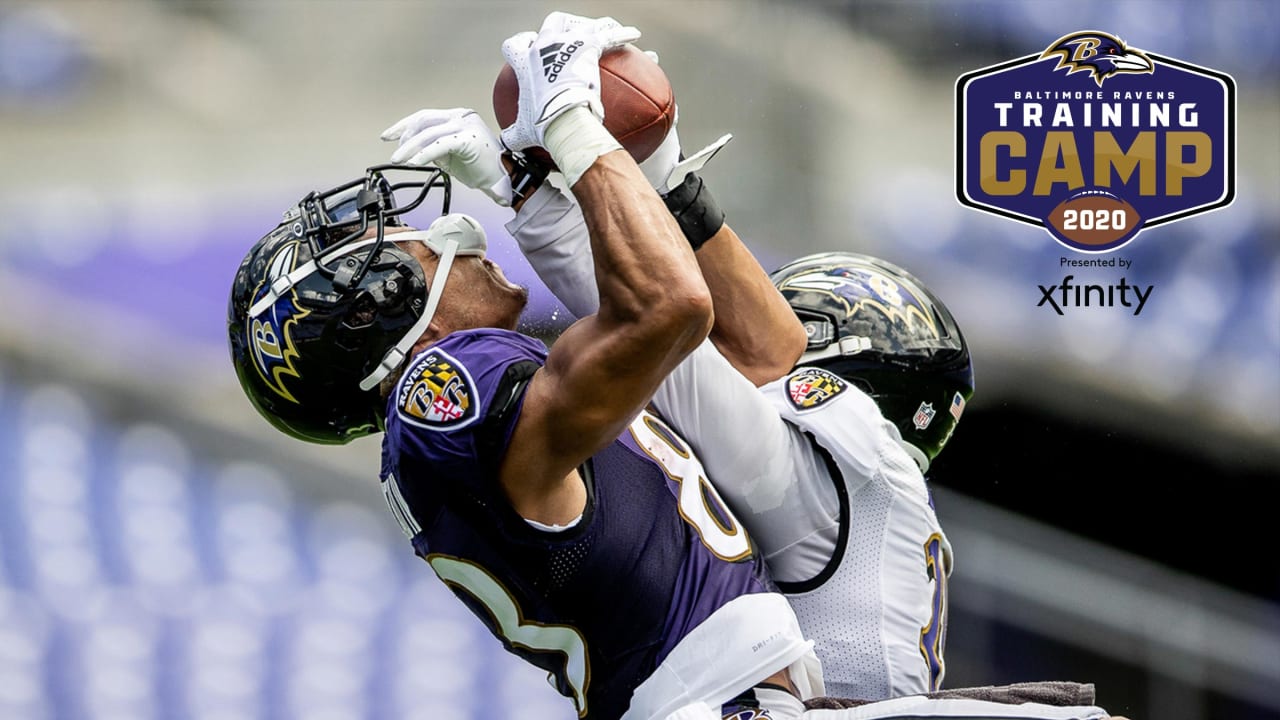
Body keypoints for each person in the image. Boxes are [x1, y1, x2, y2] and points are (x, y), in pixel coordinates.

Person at [228, 14, 823, 720]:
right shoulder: (442, 384)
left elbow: (757, 357)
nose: (434, 231)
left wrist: (527, 192)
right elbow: (669, 306)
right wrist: (571, 126)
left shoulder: (453, 408)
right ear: (375, 311)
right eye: (397, 239)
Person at [383, 87, 972, 704]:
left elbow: (673, 333)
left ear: (829, 379)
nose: (728, 347)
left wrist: (562, 146)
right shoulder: (861, 494)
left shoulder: (847, 473)